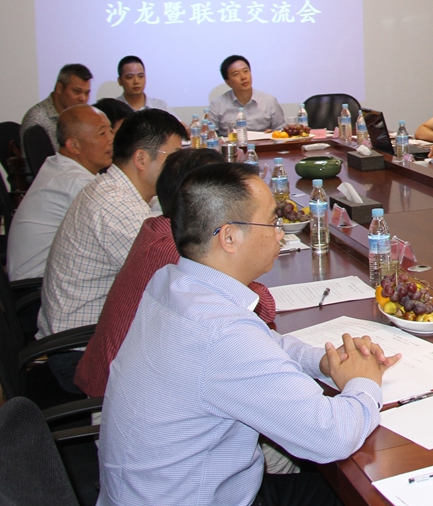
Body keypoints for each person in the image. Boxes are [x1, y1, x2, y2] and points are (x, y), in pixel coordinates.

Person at [97, 163, 399, 506]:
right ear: (229, 237)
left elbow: (263, 342)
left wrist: (324, 361)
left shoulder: (174, 282)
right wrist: (365, 382)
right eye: (271, 222)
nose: (280, 233)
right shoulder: (221, 334)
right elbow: (333, 436)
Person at [74, 147, 277, 397]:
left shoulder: (156, 228)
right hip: (115, 393)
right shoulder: (179, 252)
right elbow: (262, 309)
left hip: (134, 377)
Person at [37, 108, 188, 393]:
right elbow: (182, 280)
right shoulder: (116, 207)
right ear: (141, 159)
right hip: (83, 354)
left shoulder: (116, 190)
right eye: (174, 157)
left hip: (93, 339)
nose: (179, 166)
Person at [6, 106, 114, 281]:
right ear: (74, 145)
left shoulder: (63, 168)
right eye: (102, 134)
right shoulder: (74, 182)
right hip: (39, 286)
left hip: (54, 277)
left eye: (111, 131)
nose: (111, 139)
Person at [20, 63, 92, 152]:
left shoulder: (80, 115)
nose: (83, 98)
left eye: (87, 93)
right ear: (60, 88)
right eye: (77, 91)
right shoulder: (37, 119)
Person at [208, 55, 286, 133]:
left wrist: (273, 134)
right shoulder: (217, 105)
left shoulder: (269, 101)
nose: (243, 77)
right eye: (236, 74)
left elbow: (281, 131)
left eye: (245, 71)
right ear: (228, 82)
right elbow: (209, 135)